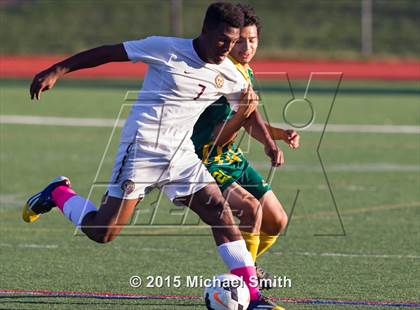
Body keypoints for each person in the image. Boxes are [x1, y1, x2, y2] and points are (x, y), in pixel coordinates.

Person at [22, 2, 284, 309]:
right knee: (102, 232)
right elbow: (108, 52)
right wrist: (57, 69)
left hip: (182, 156)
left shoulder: (230, 73)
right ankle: (59, 193)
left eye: (234, 40)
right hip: (141, 151)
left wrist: (267, 140)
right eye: (223, 39)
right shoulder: (165, 48)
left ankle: (252, 298)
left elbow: (248, 108)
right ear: (206, 31)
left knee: (220, 212)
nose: (228, 47)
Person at [191, 4, 300, 291]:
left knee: (277, 221)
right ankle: (246, 283)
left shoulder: (245, 71)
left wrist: (273, 138)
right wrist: (248, 122)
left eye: (253, 40)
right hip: (204, 159)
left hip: (228, 156)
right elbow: (218, 136)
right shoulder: (220, 71)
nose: (246, 47)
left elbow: (249, 117)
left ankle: (246, 269)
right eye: (241, 40)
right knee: (252, 210)